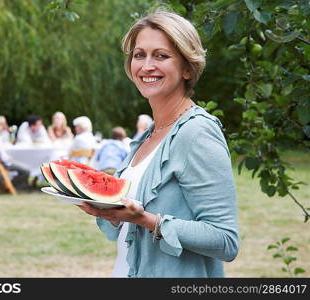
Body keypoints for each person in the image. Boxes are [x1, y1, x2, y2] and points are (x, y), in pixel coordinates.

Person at [77, 8, 239, 277]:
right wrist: (107, 209)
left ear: (187, 68)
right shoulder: (147, 135)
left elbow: (225, 240)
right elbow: (124, 227)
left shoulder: (197, 132)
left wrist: (144, 219)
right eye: (139, 55)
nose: (146, 66)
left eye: (161, 56)